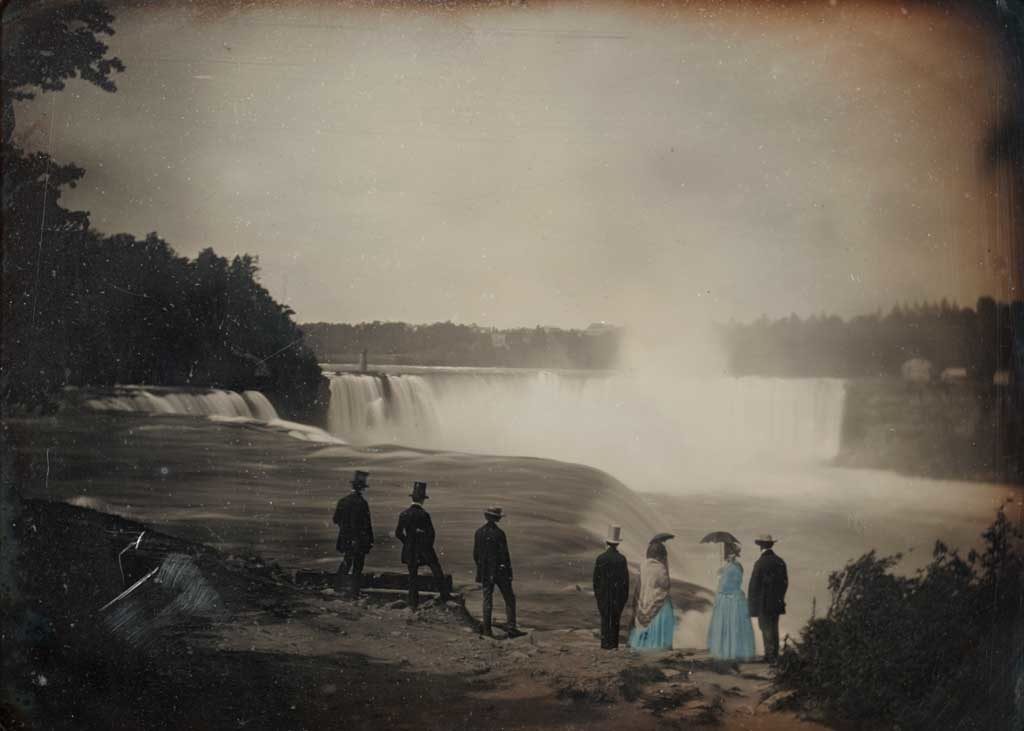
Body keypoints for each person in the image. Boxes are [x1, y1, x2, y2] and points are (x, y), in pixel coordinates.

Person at [395, 481, 451, 609]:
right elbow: (431, 534)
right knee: (436, 568)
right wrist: (425, 545)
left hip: (409, 549)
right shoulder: (424, 515)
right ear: (422, 500)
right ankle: (444, 596)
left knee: (412, 576)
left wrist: (408, 542)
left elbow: (398, 533)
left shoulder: (404, 514)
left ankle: (413, 603)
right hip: (424, 549)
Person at [473, 506, 519, 638]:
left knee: (487, 600)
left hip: (486, 572)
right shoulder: (499, 534)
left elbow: (475, 555)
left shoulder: (478, 532)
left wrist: (481, 569)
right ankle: (511, 628)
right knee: (509, 598)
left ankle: (487, 630)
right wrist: (509, 573)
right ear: (497, 518)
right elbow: (505, 555)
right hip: (500, 571)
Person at [707, 541, 756, 661]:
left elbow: (724, 587)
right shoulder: (738, 566)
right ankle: (736, 651)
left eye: (729, 553)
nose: (729, 556)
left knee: (728, 624)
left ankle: (728, 651)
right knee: (735, 625)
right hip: (737, 598)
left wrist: (720, 577)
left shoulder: (729, 568)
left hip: (728, 598)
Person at [628, 534, 676, 650]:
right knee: (667, 606)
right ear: (661, 556)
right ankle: (660, 644)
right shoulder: (660, 568)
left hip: (643, 604)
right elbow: (666, 586)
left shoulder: (643, 566)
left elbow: (640, 585)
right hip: (657, 607)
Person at [332, 469, 374, 599]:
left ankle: (337, 587)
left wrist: (345, 530)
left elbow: (335, 520)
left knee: (346, 562)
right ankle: (354, 592)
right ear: (362, 488)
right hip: (359, 540)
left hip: (346, 539)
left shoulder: (343, 501)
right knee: (357, 566)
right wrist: (370, 540)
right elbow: (366, 525)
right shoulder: (362, 503)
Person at [748, 533, 788, 663]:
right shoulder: (780, 561)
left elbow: (754, 586)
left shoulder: (760, 563)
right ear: (771, 545)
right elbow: (785, 583)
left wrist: (752, 605)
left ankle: (769, 656)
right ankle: (774, 655)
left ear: (761, 547)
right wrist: (780, 597)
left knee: (765, 627)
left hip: (763, 602)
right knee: (774, 627)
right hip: (777, 602)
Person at [593, 525, 630, 649]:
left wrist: (598, 595)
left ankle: (604, 645)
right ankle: (614, 645)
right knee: (615, 620)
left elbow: (595, 581)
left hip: (604, 595)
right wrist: (623, 598)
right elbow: (626, 582)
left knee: (605, 620)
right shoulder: (622, 559)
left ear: (607, 543)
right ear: (617, 544)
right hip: (617, 596)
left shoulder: (601, 558)